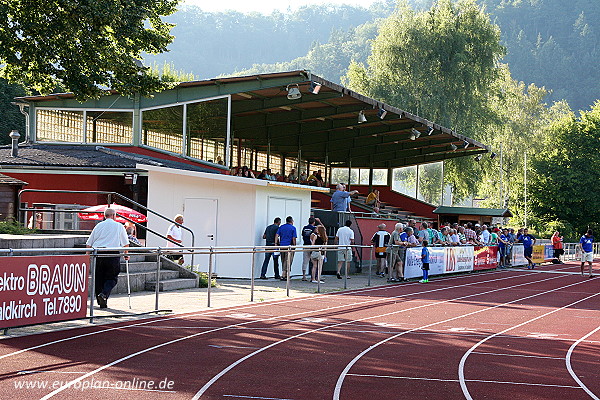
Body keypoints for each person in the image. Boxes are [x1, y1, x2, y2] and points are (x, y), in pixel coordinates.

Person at [86, 208, 129, 309]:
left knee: (98, 278)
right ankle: (104, 294)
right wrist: (126, 254)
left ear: (104, 216)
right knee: (112, 277)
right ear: (114, 216)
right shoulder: (119, 226)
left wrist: (87, 256)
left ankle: (101, 300)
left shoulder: (98, 226)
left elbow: (89, 243)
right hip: (112, 254)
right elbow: (126, 243)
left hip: (98, 253)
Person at [275, 216, 297, 280]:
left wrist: (276, 244)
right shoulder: (293, 228)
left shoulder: (281, 227)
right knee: (288, 260)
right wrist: (294, 246)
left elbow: (276, 235)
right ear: (291, 221)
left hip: (282, 245)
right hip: (289, 246)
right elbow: (294, 238)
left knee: (283, 260)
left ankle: (284, 274)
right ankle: (285, 275)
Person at [301, 217, 321, 281]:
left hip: (305, 245)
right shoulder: (314, 228)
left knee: (305, 261)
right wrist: (320, 222)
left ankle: (304, 276)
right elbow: (322, 229)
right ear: (314, 222)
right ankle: (314, 277)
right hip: (312, 246)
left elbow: (303, 235)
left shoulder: (304, 228)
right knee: (314, 262)